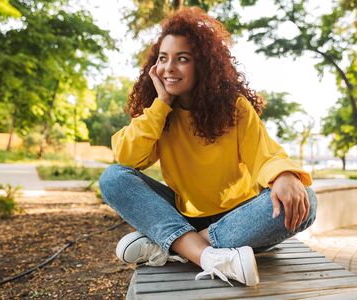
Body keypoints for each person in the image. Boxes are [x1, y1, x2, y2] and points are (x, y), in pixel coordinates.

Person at [99, 7, 317, 287]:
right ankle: (208, 254)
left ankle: (178, 246)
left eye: (182, 59)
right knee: (113, 178)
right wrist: (162, 104)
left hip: (240, 217)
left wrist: (284, 176)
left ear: (202, 65)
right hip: (184, 215)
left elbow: (265, 156)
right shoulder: (158, 113)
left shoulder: (234, 108)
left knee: (306, 200)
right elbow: (127, 158)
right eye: (163, 59)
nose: (169, 68)